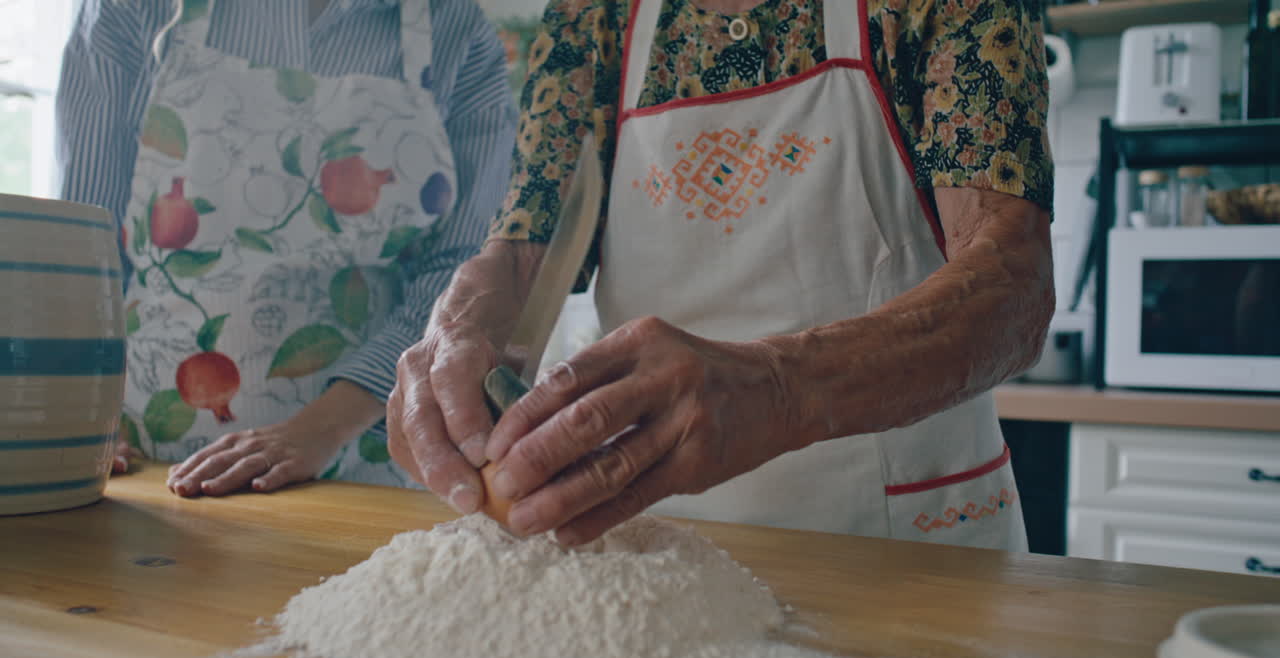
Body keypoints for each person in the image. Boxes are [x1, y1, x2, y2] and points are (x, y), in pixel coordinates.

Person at [387, 0, 1056, 551]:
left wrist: (779, 389)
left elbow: (1012, 286)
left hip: (905, 543)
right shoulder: (593, 16)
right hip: (659, 549)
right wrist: (457, 331)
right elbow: (522, 251)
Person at [57, 0, 515, 493]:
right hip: (143, 459)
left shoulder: (456, 31)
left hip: (367, 472)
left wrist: (317, 431)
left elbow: (458, 276)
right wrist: (79, 409)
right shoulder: (128, 9)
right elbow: (81, 243)